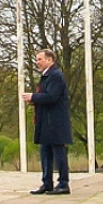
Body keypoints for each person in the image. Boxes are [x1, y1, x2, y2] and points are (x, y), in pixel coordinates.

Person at [22, 48, 71, 195]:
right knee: (45, 153)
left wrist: (33, 97)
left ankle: (63, 183)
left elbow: (52, 97)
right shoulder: (46, 76)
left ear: (50, 60)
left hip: (55, 122)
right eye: (36, 60)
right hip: (46, 121)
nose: (37, 63)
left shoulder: (55, 76)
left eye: (40, 59)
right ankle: (47, 182)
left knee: (58, 152)